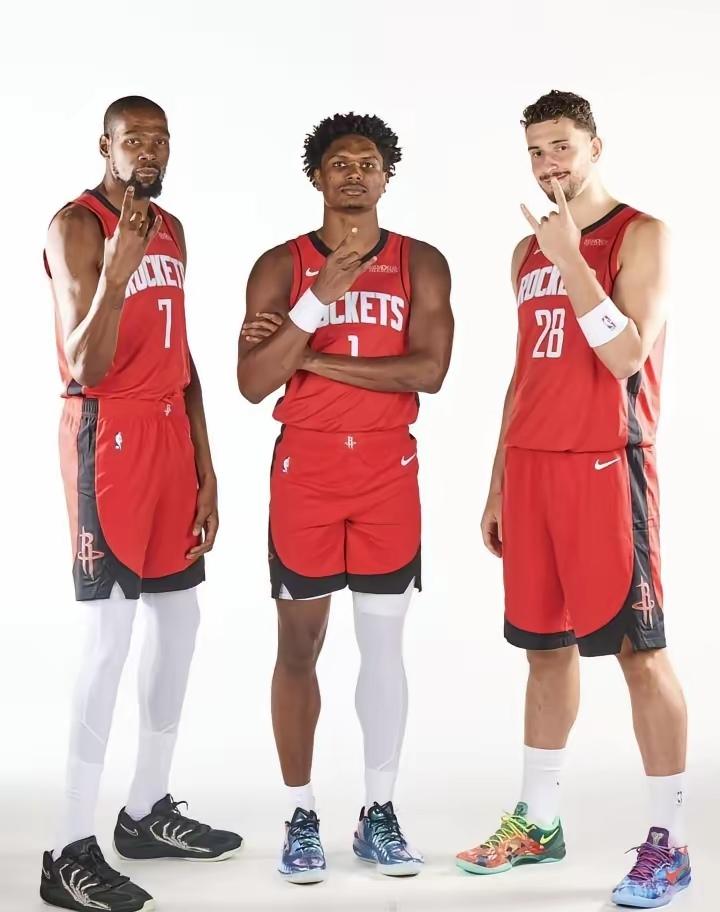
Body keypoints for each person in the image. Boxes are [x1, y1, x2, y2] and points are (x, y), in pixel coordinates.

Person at [455, 90, 690, 909]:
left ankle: (669, 843)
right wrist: (498, 479)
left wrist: (573, 262)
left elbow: (626, 355)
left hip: (605, 467)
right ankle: (539, 821)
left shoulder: (641, 233)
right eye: (535, 151)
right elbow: (526, 369)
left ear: (595, 146)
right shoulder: (525, 252)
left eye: (560, 146)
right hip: (532, 471)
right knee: (544, 649)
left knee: (639, 652)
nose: (547, 163)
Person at [238, 112, 454, 883]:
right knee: (299, 647)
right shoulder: (281, 265)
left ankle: (379, 812)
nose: (355, 174)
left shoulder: (421, 262)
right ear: (317, 176)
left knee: (384, 647)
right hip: (308, 471)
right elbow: (253, 382)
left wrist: (307, 359)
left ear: (387, 177)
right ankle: (300, 814)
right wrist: (315, 301)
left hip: (388, 474)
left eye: (368, 163)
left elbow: (428, 371)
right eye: (340, 163)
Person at [42, 95, 242, 912]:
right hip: (108, 437)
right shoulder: (76, 225)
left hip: (168, 439)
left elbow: (180, 352)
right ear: (107, 146)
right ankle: (67, 849)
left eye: (160, 139)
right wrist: (118, 273)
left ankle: (145, 810)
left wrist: (206, 464)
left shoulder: (174, 228)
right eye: (135, 140)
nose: (149, 150)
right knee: (107, 639)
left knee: (180, 621)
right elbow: (83, 363)